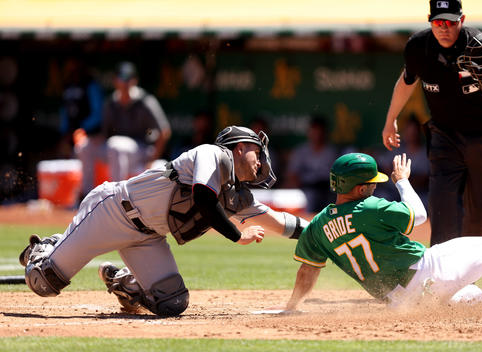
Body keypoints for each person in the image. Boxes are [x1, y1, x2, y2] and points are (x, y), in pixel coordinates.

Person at [19, 126, 309, 317]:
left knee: (172, 302)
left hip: (147, 237)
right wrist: (236, 236)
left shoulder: (234, 194)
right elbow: (203, 198)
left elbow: (279, 223)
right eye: (256, 152)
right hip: (112, 212)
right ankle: (45, 248)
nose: (260, 161)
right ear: (239, 146)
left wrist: (323, 231)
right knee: (43, 283)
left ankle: (123, 282)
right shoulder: (211, 153)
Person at [276, 153, 482, 312]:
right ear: (360, 188)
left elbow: (308, 270)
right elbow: (419, 215)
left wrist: (291, 307)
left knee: (464, 297)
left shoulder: (318, 224)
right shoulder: (370, 208)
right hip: (427, 269)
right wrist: (401, 180)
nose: (376, 187)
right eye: (372, 184)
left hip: (399, 302)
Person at [381, 0, 482, 246]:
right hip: (445, 134)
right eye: (438, 22)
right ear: (430, 21)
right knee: (442, 205)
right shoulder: (419, 46)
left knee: (481, 216)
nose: (444, 28)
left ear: (461, 20)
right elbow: (407, 81)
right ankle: (440, 276)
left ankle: (470, 273)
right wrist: (390, 121)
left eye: (450, 22)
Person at [102, 61, 172, 181]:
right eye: (122, 78)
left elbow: (164, 132)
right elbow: (104, 134)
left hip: (142, 150)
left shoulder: (145, 100)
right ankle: (85, 194)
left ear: (135, 80)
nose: (125, 82)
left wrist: (151, 160)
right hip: (118, 151)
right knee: (85, 147)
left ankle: (117, 196)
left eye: (129, 78)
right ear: (115, 81)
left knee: (115, 146)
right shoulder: (111, 102)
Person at [58, 58, 104, 197]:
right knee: (72, 162)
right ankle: (75, 197)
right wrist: (65, 132)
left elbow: (98, 113)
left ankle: (87, 194)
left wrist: (83, 128)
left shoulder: (90, 85)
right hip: (72, 133)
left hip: (92, 135)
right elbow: (65, 111)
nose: (72, 69)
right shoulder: (68, 85)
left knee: (83, 149)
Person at [284, 116, 338, 213]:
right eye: (314, 130)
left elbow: (336, 177)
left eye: (320, 131)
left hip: (326, 190)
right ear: (309, 132)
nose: (317, 134)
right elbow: (292, 175)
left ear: (325, 132)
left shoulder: (332, 151)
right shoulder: (300, 151)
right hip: (305, 189)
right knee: (306, 198)